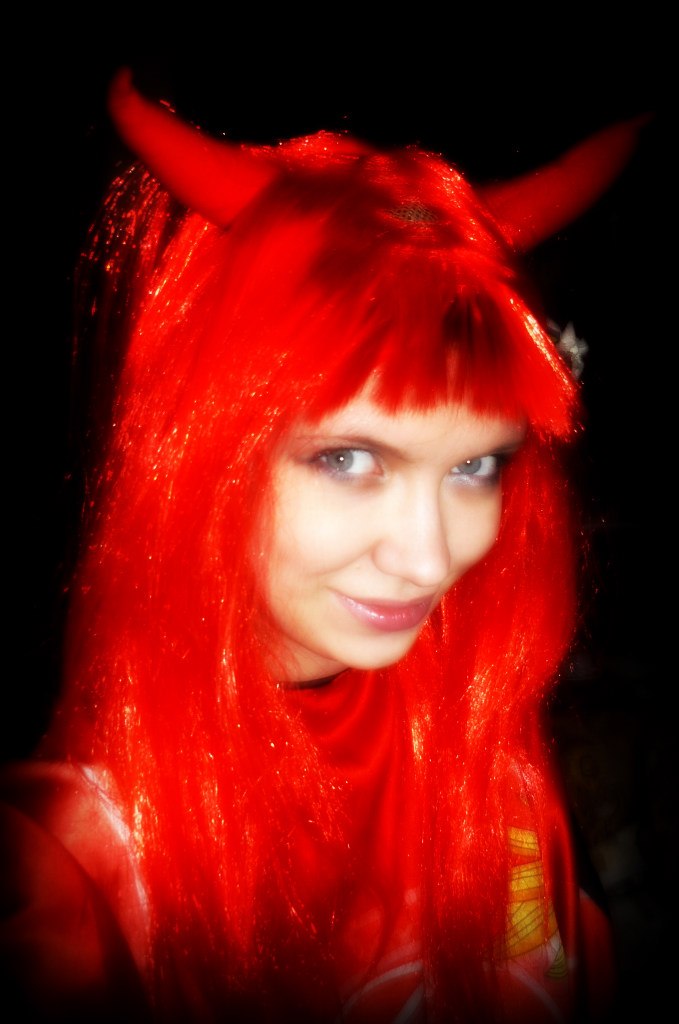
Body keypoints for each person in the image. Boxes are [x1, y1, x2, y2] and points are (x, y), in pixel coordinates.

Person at [1, 68, 648, 1023]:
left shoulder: (483, 752)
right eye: (347, 458)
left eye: (474, 466)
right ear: (200, 454)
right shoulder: (83, 863)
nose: (428, 559)